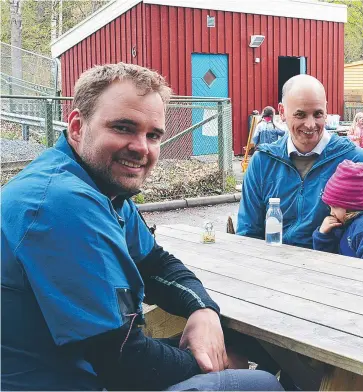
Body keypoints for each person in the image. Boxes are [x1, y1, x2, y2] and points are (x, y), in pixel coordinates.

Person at [0, 63, 283, 392]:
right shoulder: (61, 203)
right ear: (77, 126)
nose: (141, 147)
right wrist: (214, 363)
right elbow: (125, 364)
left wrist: (203, 309)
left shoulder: (98, 185)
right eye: (123, 127)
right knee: (258, 383)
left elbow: (155, 263)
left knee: (242, 341)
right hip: (68, 380)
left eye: (153, 135)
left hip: (91, 364)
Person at [237, 74, 363, 267]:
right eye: (300, 114)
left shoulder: (357, 160)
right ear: (282, 112)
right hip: (276, 274)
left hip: (336, 279)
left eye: (318, 114)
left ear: (326, 111)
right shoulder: (263, 162)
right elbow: (247, 236)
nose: (310, 124)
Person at [312, 160, 363, 263]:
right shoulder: (344, 223)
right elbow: (326, 260)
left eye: (335, 207)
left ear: (351, 205)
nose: (331, 212)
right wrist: (323, 235)